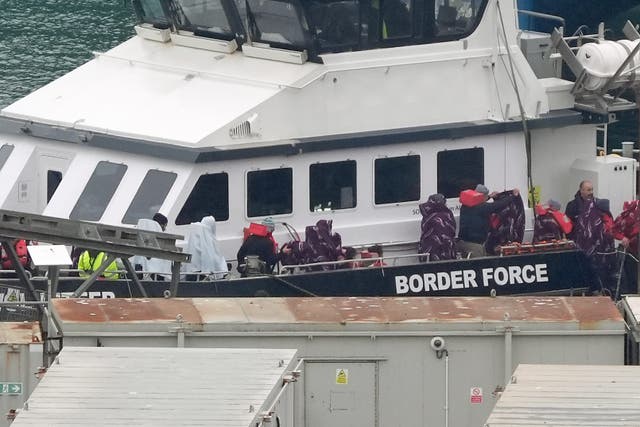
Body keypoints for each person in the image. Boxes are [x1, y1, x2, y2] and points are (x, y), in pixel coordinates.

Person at [458, 184, 520, 258]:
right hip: (474, 247)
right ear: (482, 196)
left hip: (462, 243)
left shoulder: (465, 206)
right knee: (479, 267)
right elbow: (498, 205)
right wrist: (513, 196)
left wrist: (490, 196)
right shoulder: (481, 207)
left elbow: (480, 202)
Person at [418, 193, 456, 261]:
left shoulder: (427, 214)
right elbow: (451, 232)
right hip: (442, 252)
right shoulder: (446, 215)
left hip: (427, 251)